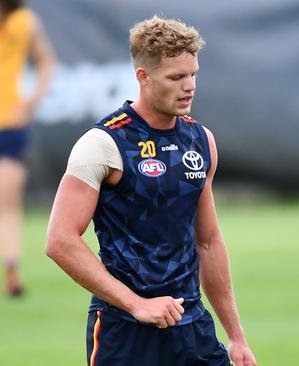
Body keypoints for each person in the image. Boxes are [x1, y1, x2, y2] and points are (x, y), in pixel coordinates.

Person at [45, 16, 256, 366]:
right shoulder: (103, 144)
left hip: (192, 329)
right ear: (143, 77)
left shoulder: (201, 141)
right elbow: (60, 240)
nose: (189, 86)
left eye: (193, 74)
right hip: (124, 333)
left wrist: (236, 336)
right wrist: (137, 304)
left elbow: (208, 242)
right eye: (176, 77)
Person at [0, 0, 55, 297]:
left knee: (8, 200)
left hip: (10, 123)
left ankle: (11, 268)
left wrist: (32, 101)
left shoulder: (24, 22)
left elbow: (46, 60)